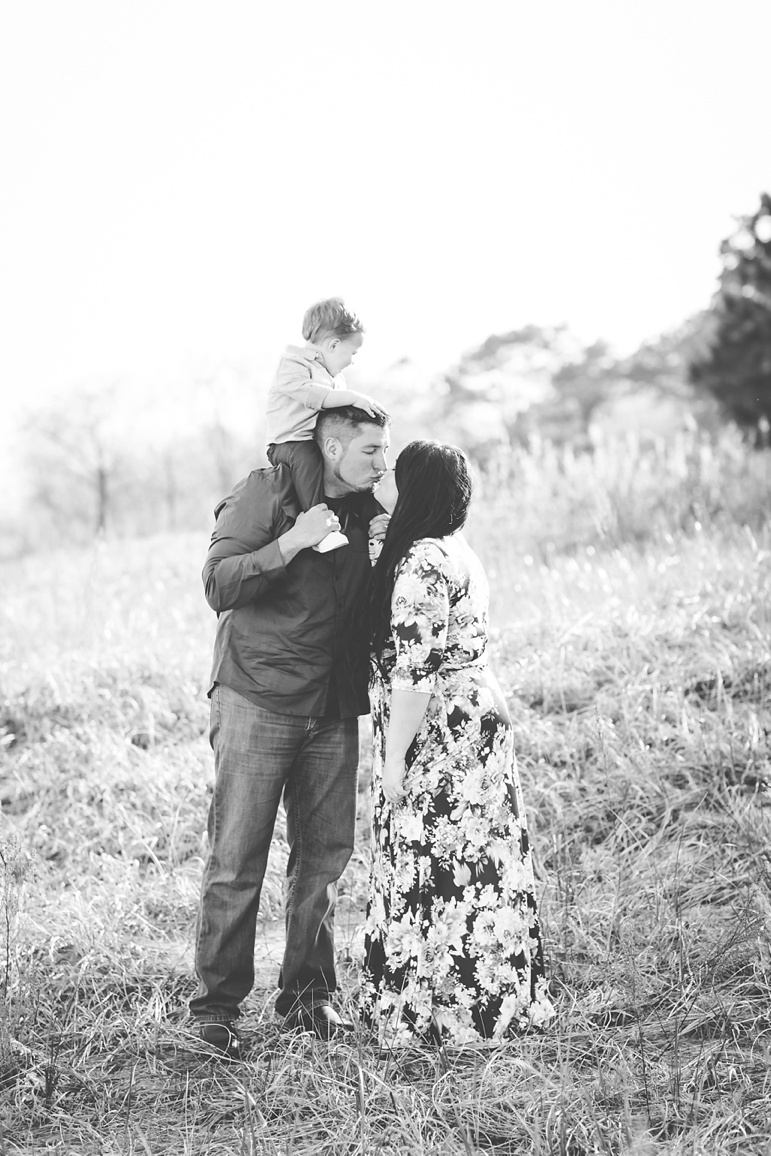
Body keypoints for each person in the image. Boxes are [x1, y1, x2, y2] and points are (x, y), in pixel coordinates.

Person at [190, 405, 391, 1059]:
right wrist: (292, 541)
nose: (381, 464)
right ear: (331, 449)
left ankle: (308, 998)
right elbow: (218, 583)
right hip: (257, 697)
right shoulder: (264, 491)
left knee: (324, 864)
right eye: (369, 453)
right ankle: (216, 1012)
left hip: (333, 706)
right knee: (236, 860)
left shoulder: (370, 512)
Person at [361, 441, 554, 1046]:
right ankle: (491, 1006)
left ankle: (434, 1017)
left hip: (440, 732)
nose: (381, 482)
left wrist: (394, 762)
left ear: (413, 489)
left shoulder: (421, 561)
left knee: (431, 861)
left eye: (393, 476)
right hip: (476, 720)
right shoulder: (454, 548)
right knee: (478, 865)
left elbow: (415, 675)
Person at [266, 297, 387, 552]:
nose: (353, 360)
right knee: (310, 462)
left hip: (317, 440)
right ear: (333, 344)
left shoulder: (336, 379)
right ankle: (319, 528)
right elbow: (312, 396)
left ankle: (377, 519)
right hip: (290, 443)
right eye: (352, 353)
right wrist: (353, 397)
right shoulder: (293, 364)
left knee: (350, 469)